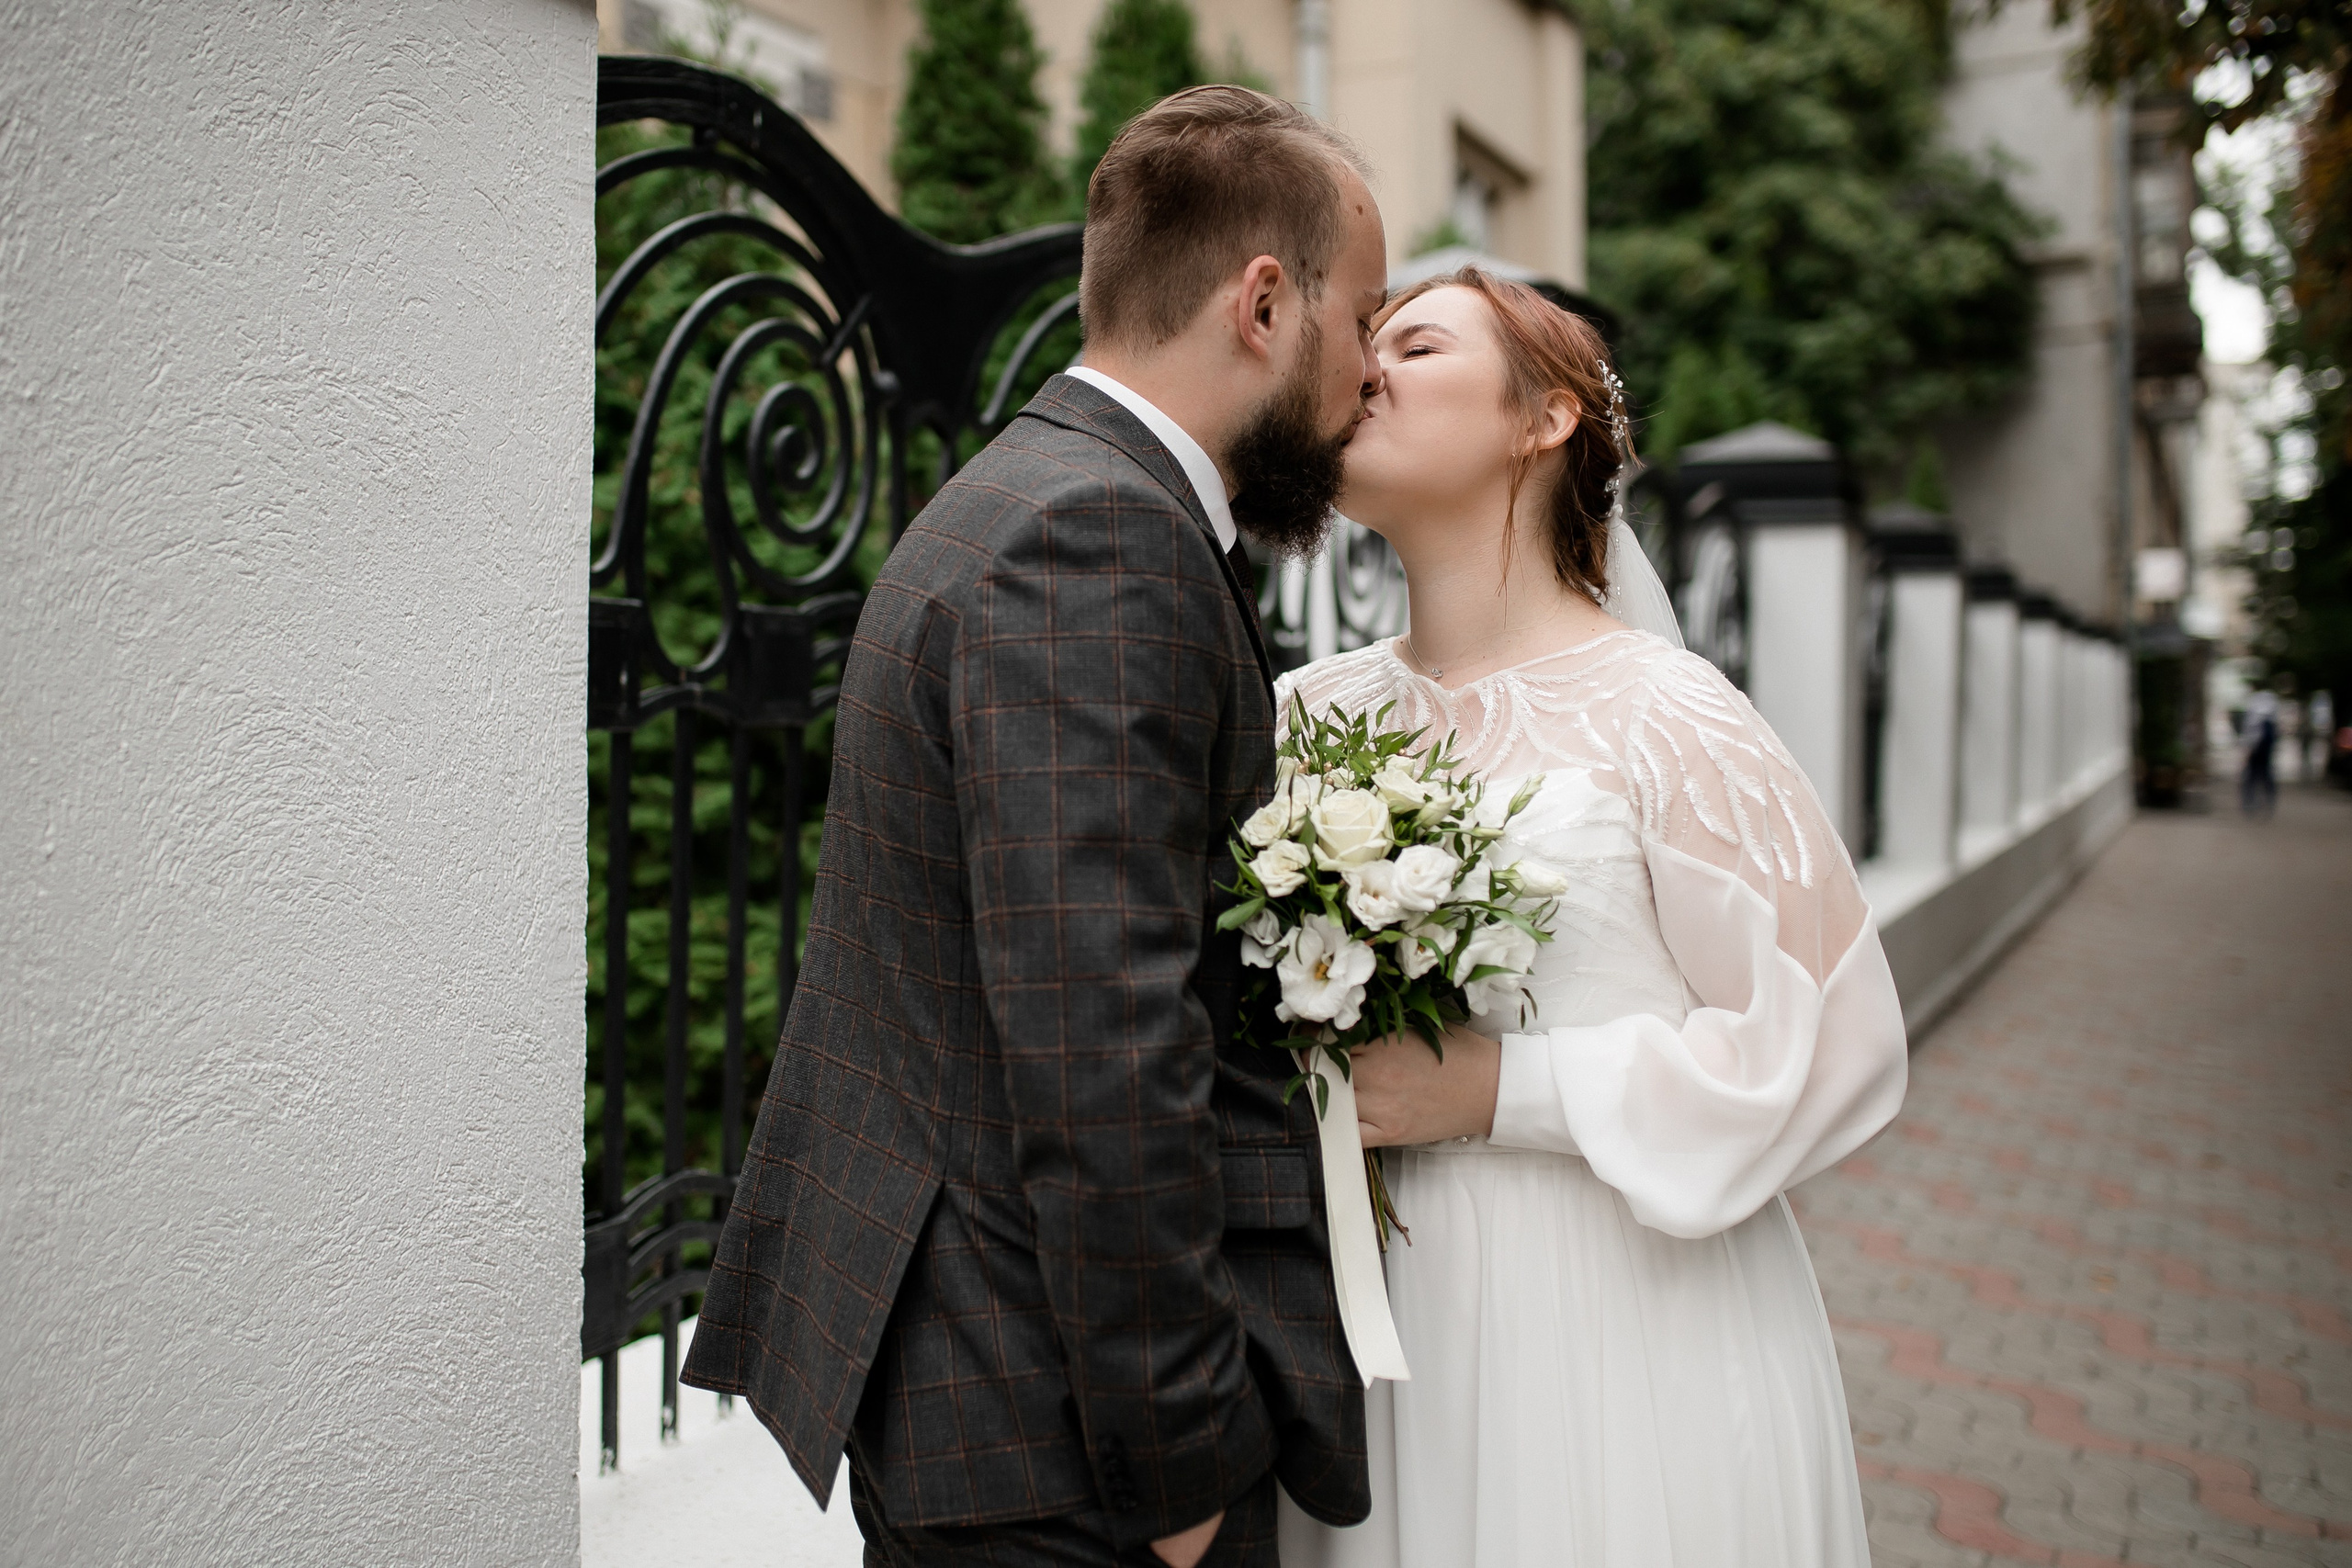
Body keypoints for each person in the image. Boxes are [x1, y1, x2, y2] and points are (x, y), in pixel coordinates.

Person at [680, 87, 1390, 1568]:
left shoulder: (1031, 490)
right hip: (1059, 1442)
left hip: (994, 1392)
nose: (1373, 369)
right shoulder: (1099, 537)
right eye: (1366, 318)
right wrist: (1182, 1470)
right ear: (1265, 304)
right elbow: (1101, 1042)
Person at [1274, 269, 1910, 1567]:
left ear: (1544, 417)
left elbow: (1837, 1047)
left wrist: (1506, 1089)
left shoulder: (1668, 715)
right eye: (1363, 344)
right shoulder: (1303, 713)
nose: (1365, 367)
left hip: (1617, 1329)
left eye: (1417, 344)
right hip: (1367, 1327)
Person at [2242, 690, 2279, 818]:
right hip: (2264, 749)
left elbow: (2251, 733)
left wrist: (2248, 749)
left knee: (2252, 776)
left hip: (2257, 749)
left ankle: (2251, 802)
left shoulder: (2254, 710)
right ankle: (2268, 800)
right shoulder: (2270, 713)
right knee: (2265, 774)